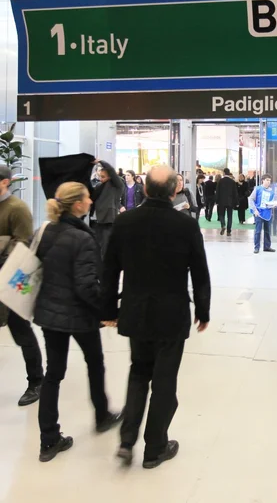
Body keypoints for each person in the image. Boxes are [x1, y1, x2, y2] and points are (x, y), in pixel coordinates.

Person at [101, 166, 211, 470]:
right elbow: (200, 273)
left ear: (145, 189)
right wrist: (203, 311)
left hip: (136, 312)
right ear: (175, 190)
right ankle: (155, 448)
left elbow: (109, 270)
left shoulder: (125, 222)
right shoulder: (185, 225)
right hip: (172, 314)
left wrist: (108, 311)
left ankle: (126, 441)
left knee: (138, 373)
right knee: (164, 381)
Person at [34, 182, 122, 462]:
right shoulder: (82, 238)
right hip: (80, 315)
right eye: (87, 197)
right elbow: (86, 286)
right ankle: (102, 415)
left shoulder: (44, 230)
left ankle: (48, 440)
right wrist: (107, 310)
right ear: (77, 204)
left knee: (53, 374)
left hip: (49, 314)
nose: (91, 201)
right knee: (95, 363)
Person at [0, 165, 44, 406]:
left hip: (12, 281)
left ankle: (36, 380)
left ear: (5, 182)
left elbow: (22, 245)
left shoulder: (17, 209)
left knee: (21, 332)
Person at [91, 159, 124, 258]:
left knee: (106, 249)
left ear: (110, 176)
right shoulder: (99, 187)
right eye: (100, 176)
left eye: (103, 177)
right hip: (97, 221)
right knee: (97, 247)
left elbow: (111, 170)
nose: (101, 179)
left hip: (108, 221)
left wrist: (101, 161)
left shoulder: (116, 185)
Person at [249, 174, 277, 254]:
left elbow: (273, 201)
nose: (268, 182)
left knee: (267, 231)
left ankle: (267, 246)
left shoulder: (272, 191)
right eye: (267, 180)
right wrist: (255, 210)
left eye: (269, 180)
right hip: (259, 213)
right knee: (258, 231)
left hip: (268, 213)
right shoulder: (258, 189)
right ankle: (256, 247)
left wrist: (274, 204)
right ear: (263, 180)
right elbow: (251, 199)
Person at [216, 168, 238, 236]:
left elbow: (217, 192)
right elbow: (235, 193)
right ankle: (228, 231)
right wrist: (236, 202)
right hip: (230, 201)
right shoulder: (232, 182)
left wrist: (217, 200)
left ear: (224, 173)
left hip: (221, 201)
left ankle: (223, 225)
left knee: (221, 214)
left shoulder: (220, 181)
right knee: (230, 216)